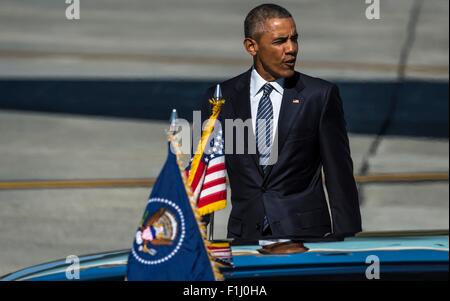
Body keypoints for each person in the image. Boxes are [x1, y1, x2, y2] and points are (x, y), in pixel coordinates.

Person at [200, 3, 362, 241]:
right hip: (245, 236)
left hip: (306, 237)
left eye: (294, 39)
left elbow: (339, 176)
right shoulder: (220, 98)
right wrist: (194, 237)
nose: (291, 49)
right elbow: (205, 172)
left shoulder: (319, 95)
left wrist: (347, 240)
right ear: (251, 46)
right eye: (279, 41)